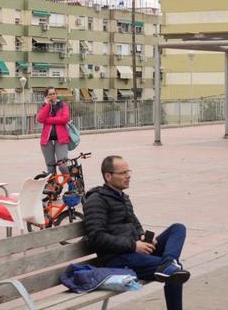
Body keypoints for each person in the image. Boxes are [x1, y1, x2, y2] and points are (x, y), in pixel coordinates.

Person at [84, 155, 189, 310]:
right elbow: (96, 237)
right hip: (117, 259)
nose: (128, 176)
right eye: (123, 173)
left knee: (178, 228)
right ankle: (168, 264)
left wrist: (142, 237)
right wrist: (133, 245)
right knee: (175, 272)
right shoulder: (96, 201)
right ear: (108, 176)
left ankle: (168, 262)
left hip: (135, 252)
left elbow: (135, 225)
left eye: (128, 171)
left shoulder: (123, 197)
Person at [36, 86, 70, 174]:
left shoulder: (63, 105)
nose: (52, 96)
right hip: (46, 140)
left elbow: (65, 119)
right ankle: (54, 187)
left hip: (61, 139)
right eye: (50, 94)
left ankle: (72, 182)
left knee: (62, 165)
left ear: (56, 94)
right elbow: (40, 119)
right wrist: (47, 105)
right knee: (50, 167)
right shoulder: (44, 106)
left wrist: (48, 120)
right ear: (47, 96)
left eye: (54, 93)